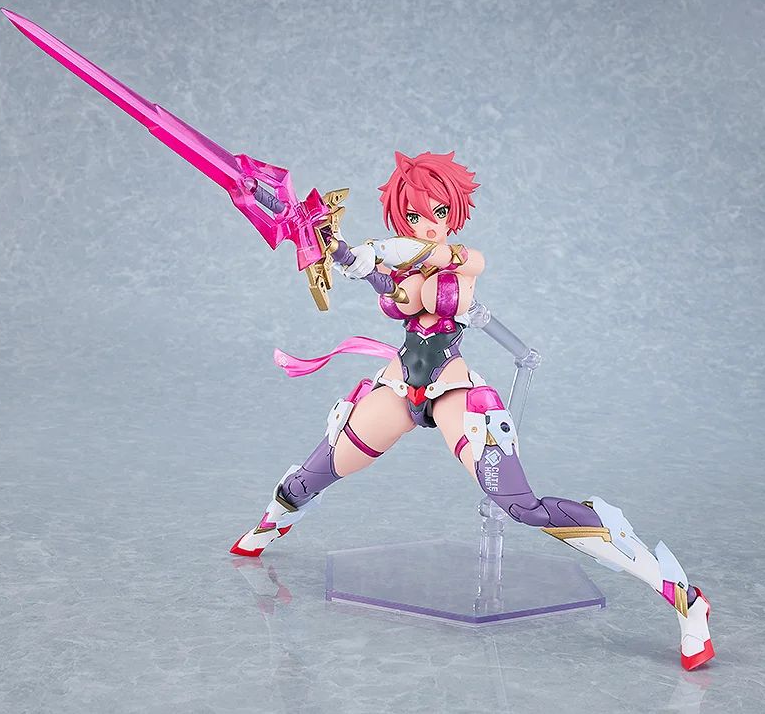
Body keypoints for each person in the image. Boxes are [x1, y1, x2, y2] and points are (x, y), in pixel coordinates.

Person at [231, 151, 714, 671]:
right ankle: (271, 523)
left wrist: (374, 251)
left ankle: (682, 595)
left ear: (453, 213)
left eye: (437, 212)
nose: (426, 224)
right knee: (319, 468)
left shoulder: (462, 261)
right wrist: (338, 249)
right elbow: (384, 281)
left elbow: (425, 259)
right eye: (413, 215)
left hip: (451, 389)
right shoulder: (403, 265)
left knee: (521, 506)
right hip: (400, 384)